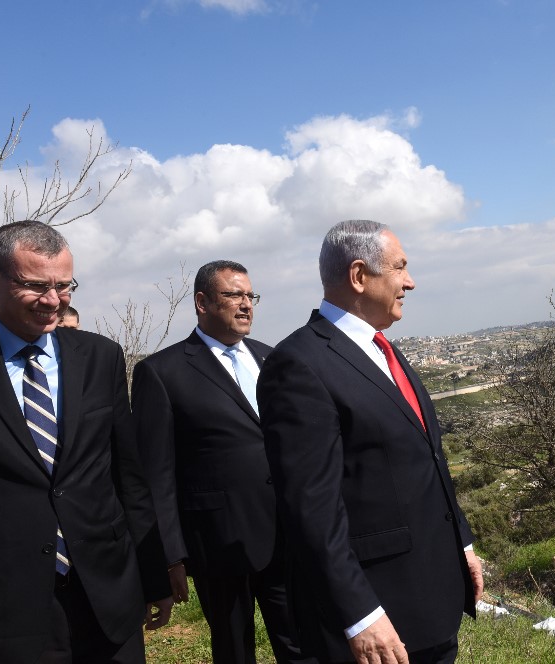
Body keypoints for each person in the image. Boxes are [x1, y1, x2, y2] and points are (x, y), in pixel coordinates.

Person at [0, 220, 172, 664]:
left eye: (64, 286)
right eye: (35, 286)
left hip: (107, 600)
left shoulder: (101, 357)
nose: (53, 301)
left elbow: (129, 479)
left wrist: (154, 578)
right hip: (0, 608)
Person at [258, 220, 484, 664]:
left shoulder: (383, 348)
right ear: (359, 276)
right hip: (378, 613)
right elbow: (311, 509)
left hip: (429, 601)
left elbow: (427, 459)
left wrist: (463, 543)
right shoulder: (299, 364)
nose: (410, 282)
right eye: (400, 268)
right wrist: (359, 615)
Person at [132, 260, 309, 664]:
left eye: (251, 296)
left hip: (285, 533)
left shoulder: (271, 358)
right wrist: (171, 556)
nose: (246, 305)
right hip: (216, 541)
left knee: (300, 643)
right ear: (202, 302)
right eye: (234, 295)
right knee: (233, 648)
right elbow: (156, 475)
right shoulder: (161, 372)